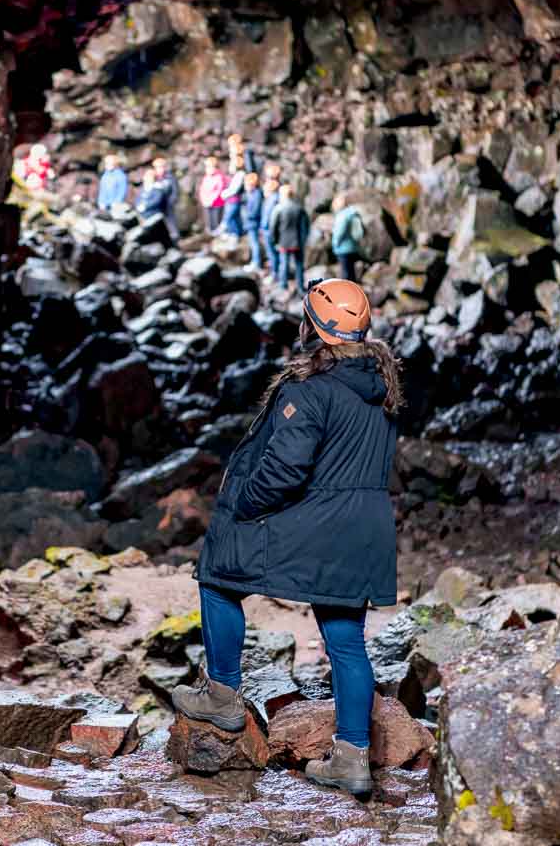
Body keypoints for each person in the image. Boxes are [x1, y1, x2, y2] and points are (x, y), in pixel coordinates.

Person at [173, 279, 402, 801]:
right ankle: (351, 757)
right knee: (346, 639)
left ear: (313, 327)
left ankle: (223, 697)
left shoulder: (310, 389)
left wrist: (243, 504)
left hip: (319, 520)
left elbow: (285, 469)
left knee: (217, 572)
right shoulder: (382, 387)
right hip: (366, 527)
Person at [268, 184, 309, 292]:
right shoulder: (299, 208)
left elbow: (273, 227)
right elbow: (305, 226)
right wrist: (303, 240)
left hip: (283, 241)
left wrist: (274, 240)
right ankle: (300, 286)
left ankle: (283, 285)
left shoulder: (278, 208)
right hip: (298, 241)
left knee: (284, 264)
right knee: (299, 265)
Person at [136, 160, 180, 241]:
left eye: (162, 167)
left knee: (170, 220)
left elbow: (174, 190)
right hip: (157, 207)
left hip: (167, 203)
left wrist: (172, 200)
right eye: (158, 167)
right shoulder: (154, 177)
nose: (160, 169)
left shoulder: (169, 177)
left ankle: (175, 235)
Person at [332, 195, 367, 281]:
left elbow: (339, 232)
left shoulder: (342, 215)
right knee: (351, 273)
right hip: (353, 247)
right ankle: (354, 291)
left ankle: (348, 293)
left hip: (343, 248)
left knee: (346, 274)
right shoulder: (352, 213)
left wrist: (335, 243)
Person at [260, 165, 282, 277]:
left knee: (273, 252)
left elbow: (268, 217)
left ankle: (275, 273)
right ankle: (276, 270)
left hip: (270, 230)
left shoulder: (273, 199)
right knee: (273, 253)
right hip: (271, 229)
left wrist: (263, 228)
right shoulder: (277, 195)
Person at [239, 172, 265, 269]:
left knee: (255, 243)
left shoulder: (257, 194)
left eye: (246, 184)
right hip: (249, 222)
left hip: (253, 222)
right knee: (253, 243)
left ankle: (256, 263)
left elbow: (255, 211)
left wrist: (245, 214)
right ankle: (254, 261)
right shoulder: (250, 194)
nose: (245, 186)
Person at [199, 158, 226, 232]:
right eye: (207, 167)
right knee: (208, 219)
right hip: (206, 202)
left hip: (216, 202)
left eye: (210, 167)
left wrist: (212, 200)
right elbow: (202, 189)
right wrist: (203, 199)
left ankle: (217, 233)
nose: (208, 169)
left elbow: (219, 190)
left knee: (216, 219)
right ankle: (210, 232)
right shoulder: (206, 177)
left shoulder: (219, 177)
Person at [219, 166, 245, 237]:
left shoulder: (240, 175)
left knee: (229, 217)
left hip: (235, 200)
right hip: (229, 200)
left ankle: (234, 233)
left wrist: (223, 194)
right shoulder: (230, 176)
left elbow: (234, 190)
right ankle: (235, 232)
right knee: (234, 218)